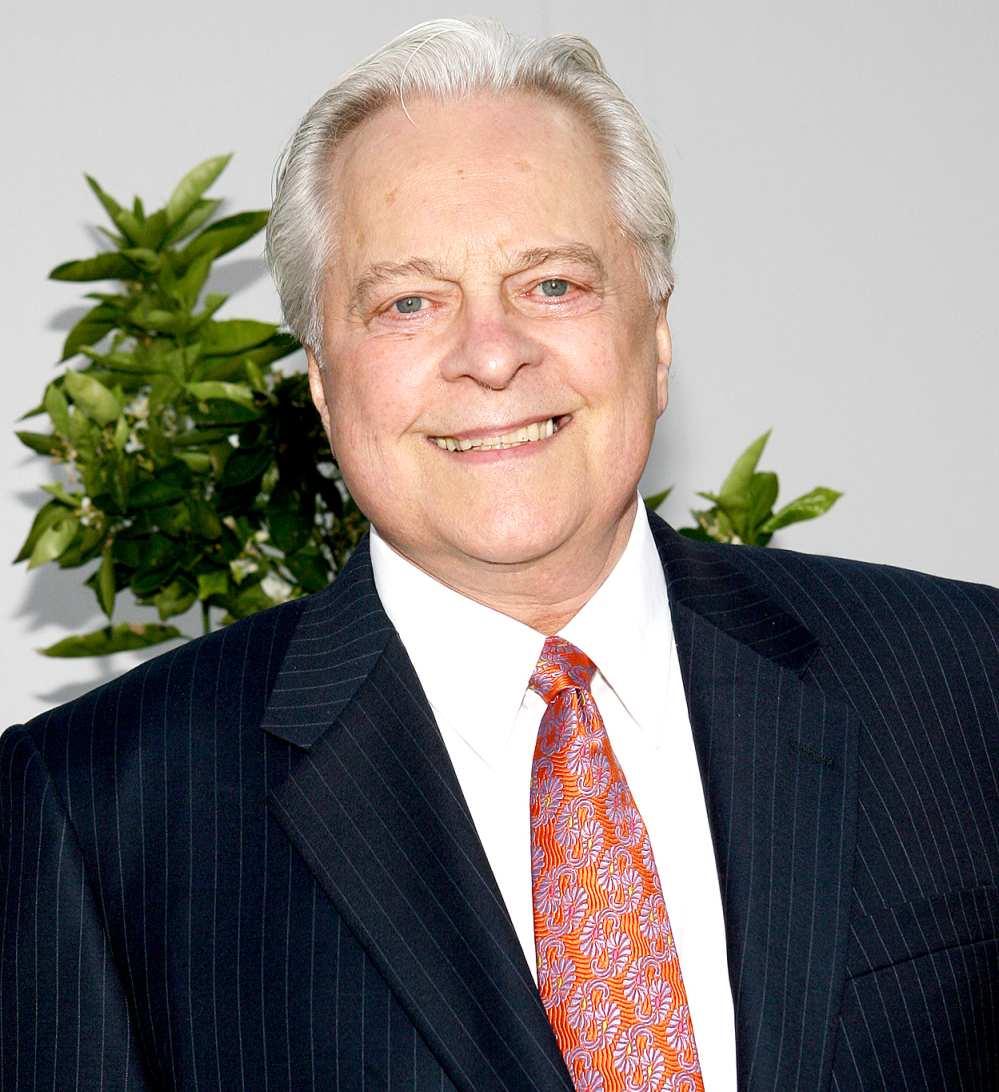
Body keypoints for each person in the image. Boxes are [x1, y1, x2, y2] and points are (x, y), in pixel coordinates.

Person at [2, 16, 997, 1092]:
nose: (490, 354)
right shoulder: (96, 812)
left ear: (656, 337)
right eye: (409, 303)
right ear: (324, 383)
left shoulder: (965, 682)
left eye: (553, 284)